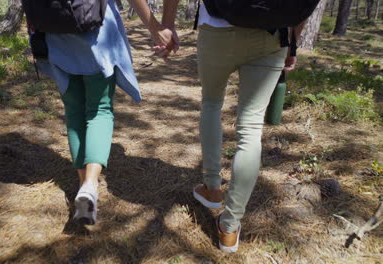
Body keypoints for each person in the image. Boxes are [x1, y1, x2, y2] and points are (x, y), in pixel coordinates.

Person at [158, 0, 306, 253]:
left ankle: (212, 188)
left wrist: (168, 23)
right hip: (273, 33)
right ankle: (230, 226)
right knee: (250, 128)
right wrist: (294, 40)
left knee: (212, 104)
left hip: (217, 28)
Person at [35, 0, 176, 225]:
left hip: (55, 30)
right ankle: (90, 186)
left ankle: (83, 186)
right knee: (99, 109)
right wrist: (155, 27)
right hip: (95, 29)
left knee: (74, 112)